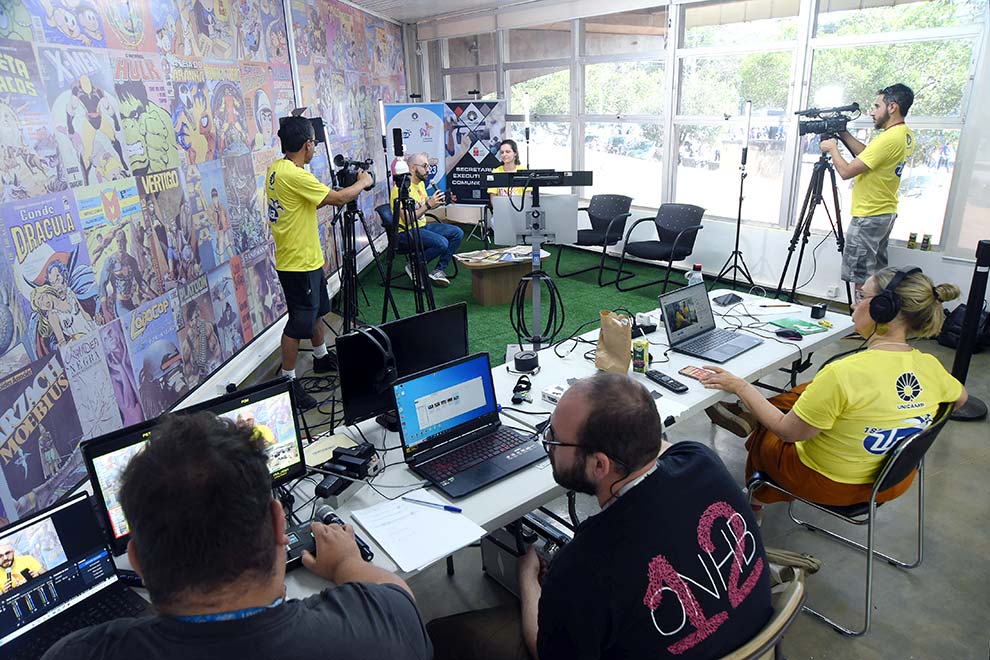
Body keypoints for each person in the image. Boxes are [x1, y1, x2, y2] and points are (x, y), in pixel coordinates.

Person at [428, 372, 771, 660]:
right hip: (755, 639)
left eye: (554, 440)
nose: (547, 443)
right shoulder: (701, 458)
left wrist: (528, 583)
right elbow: (657, 445)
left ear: (599, 464)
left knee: (445, 632)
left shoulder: (583, 566)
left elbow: (546, 652)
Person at [43, 412, 432, 660]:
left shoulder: (77, 653)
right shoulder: (382, 625)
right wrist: (347, 562)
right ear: (280, 526)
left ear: (139, 561)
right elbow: (398, 595)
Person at [701, 267, 967, 510]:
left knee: (767, 434)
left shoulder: (844, 373)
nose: (854, 303)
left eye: (862, 296)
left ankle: (754, 500)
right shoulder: (931, 366)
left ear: (883, 309)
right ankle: (753, 413)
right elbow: (960, 400)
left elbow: (787, 432)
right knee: (810, 389)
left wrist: (739, 385)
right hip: (892, 481)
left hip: (828, 483)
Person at [265, 117, 372, 410]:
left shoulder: (277, 169)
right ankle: (287, 381)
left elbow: (311, 200)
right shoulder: (296, 175)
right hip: (297, 263)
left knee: (317, 312)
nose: (314, 147)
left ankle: (321, 357)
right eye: (313, 143)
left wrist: (330, 195)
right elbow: (337, 199)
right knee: (298, 322)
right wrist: (363, 183)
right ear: (307, 144)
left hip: (306, 259)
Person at [819, 84, 915, 294]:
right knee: (877, 277)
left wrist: (832, 149)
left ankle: (861, 322)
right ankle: (875, 321)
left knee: (861, 279)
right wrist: (843, 134)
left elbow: (846, 172)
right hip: (884, 212)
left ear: (892, 107)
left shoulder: (889, 139)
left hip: (868, 216)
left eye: (876, 106)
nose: (872, 111)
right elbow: (868, 155)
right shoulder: (904, 134)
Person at [389, 152, 463, 288]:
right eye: (425, 166)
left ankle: (439, 270)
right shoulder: (400, 189)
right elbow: (407, 219)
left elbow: (422, 204)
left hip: (422, 227)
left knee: (457, 232)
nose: (428, 170)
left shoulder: (420, 184)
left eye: (428, 166)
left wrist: (438, 201)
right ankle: (414, 265)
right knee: (442, 243)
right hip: (405, 232)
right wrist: (429, 205)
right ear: (412, 168)